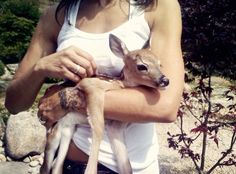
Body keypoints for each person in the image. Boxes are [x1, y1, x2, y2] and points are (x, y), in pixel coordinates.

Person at [5, 0, 184, 173]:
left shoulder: (157, 6)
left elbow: (165, 106)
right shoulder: (57, 15)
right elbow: (14, 104)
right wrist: (40, 67)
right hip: (64, 164)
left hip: (128, 168)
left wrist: (66, 98)